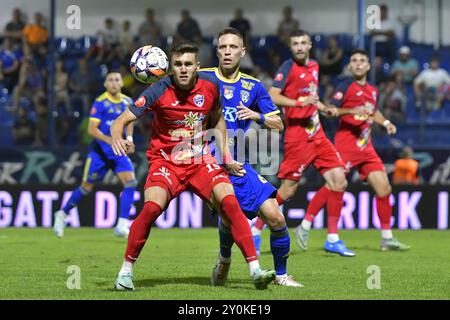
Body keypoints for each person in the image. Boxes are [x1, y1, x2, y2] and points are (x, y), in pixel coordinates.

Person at [111, 43, 275, 291]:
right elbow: (121, 120)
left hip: (200, 160)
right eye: (178, 64)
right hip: (166, 160)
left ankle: (255, 271)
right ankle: (125, 273)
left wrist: (226, 157)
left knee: (230, 204)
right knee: (151, 209)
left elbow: (218, 119)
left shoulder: (210, 85)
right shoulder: (158, 90)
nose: (183, 69)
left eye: (188, 64)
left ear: (197, 66)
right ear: (170, 68)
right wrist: (117, 137)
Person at [201, 27, 302, 287]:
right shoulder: (202, 77)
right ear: (217, 51)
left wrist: (256, 115)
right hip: (208, 162)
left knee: (276, 217)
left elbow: (278, 124)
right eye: (222, 47)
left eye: (233, 47)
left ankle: (280, 275)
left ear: (242, 52)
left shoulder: (253, 86)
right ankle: (227, 260)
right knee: (231, 214)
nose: (227, 52)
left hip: (239, 162)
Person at [252, 30, 354, 257]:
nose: (299, 47)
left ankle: (333, 238)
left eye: (302, 43)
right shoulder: (287, 68)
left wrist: (323, 107)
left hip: (318, 135)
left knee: (339, 181)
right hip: (298, 138)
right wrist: (299, 103)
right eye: (295, 43)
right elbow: (272, 96)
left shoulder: (315, 66)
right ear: (291, 47)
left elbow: (312, 96)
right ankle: (256, 229)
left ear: (309, 46)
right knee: (287, 192)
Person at [326, 49, 410, 251]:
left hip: (366, 147)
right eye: (354, 60)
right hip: (346, 145)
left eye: (362, 60)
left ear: (368, 65)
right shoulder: (345, 86)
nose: (358, 64)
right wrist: (351, 111)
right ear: (349, 66)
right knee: (334, 186)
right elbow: (331, 109)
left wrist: (386, 122)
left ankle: (387, 238)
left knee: (384, 188)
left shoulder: (373, 90)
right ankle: (322, 231)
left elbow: (374, 111)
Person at [53, 71, 137, 238]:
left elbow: (130, 121)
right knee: (86, 188)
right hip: (100, 152)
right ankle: (62, 214)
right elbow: (92, 129)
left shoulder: (128, 102)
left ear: (122, 84)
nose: (114, 82)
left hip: (118, 151)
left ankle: (121, 225)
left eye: (117, 79)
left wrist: (129, 139)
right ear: (105, 84)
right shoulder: (100, 103)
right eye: (110, 80)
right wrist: (109, 140)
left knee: (130, 183)